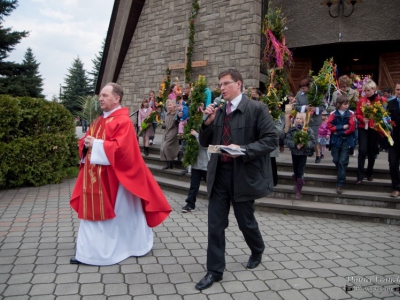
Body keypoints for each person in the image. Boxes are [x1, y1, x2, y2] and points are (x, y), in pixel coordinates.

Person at [69, 82, 171, 266]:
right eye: (100, 95)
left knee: (121, 215)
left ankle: (125, 247)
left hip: (117, 180)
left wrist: (97, 145)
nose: (101, 98)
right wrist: (85, 143)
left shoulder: (122, 121)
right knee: (96, 214)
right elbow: (88, 141)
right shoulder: (99, 120)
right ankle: (89, 251)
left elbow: (123, 151)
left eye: (105, 95)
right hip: (96, 178)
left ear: (117, 99)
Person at [195, 69, 278, 291]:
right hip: (219, 175)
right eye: (219, 84)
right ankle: (214, 271)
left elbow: (271, 140)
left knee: (246, 222)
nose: (221, 88)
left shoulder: (256, 109)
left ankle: (257, 248)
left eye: (226, 83)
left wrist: (242, 149)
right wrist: (207, 123)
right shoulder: (219, 112)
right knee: (215, 225)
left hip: (243, 176)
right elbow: (205, 143)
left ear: (239, 84)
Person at [355, 79, 387, 184]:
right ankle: (360, 175)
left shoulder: (380, 100)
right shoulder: (362, 100)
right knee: (362, 150)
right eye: (365, 91)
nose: (367, 92)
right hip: (363, 127)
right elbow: (358, 114)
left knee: (372, 151)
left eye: (368, 90)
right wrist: (362, 119)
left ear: (374, 89)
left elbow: (384, 113)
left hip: (374, 128)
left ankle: (370, 172)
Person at [327, 95, 356, 194]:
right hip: (335, 140)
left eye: (348, 104)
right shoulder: (333, 114)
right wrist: (342, 127)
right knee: (336, 159)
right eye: (345, 104)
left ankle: (340, 183)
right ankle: (341, 173)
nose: (347, 106)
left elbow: (351, 127)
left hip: (346, 140)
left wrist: (340, 131)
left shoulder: (351, 113)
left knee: (343, 161)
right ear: (339, 104)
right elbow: (330, 126)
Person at [284, 112, 316, 199]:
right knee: (295, 170)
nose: (298, 120)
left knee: (300, 171)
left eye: (300, 118)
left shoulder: (308, 130)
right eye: (297, 118)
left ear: (304, 120)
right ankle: (297, 182)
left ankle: (299, 190)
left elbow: (312, 142)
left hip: (303, 153)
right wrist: (295, 145)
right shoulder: (292, 130)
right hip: (294, 153)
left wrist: (304, 144)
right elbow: (287, 141)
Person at [295, 78, 325, 163]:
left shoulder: (317, 94)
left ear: (309, 87)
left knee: (313, 137)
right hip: (303, 119)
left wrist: (315, 109)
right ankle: (304, 154)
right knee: (303, 136)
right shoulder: (299, 94)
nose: (302, 90)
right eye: (301, 88)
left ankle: (318, 154)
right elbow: (296, 106)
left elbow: (323, 106)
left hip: (314, 119)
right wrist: (304, 107)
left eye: (304, 88)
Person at [181, 129, 210, 213]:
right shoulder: (195, 126)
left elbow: (206, 145)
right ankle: (190, 204)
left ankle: (217, 202)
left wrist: (196, 135)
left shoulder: (209, 128)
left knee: (211, 186)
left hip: (206, 164)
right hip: (196, 164)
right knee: (194, 186)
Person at [387, 82, 400, 197]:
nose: (399, 91)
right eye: (398, 89)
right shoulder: (391, 103)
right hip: (394, 139)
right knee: (393, 163)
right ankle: (396, 187)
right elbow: (386, 118)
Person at [160, 99, 179, 170]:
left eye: (170, 105)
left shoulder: (176, 113)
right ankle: (169, 163)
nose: (169, 106)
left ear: (173, 105)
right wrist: (163, 124)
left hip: (173, 131)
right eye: (168, 105)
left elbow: (177, 122)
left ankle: (169, 162)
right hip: (167, 131)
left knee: (166, 146)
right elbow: (165, 122)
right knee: (162, 147)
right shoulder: (166, 114)